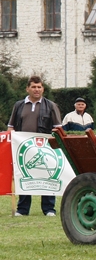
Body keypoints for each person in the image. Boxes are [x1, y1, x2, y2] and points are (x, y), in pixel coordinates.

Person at [7, 75, 61, 216]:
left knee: (47, 176)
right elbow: (11, 127)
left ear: (43, 89)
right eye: (33, 87)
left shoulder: (51, 106)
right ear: (27, 88)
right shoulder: (19, 105)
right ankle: (23, 209)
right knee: (24, 176)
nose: (36, 90)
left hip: (45, 148)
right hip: (23, 149)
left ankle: (49, 208)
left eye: (39, 87)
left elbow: (58, 128)